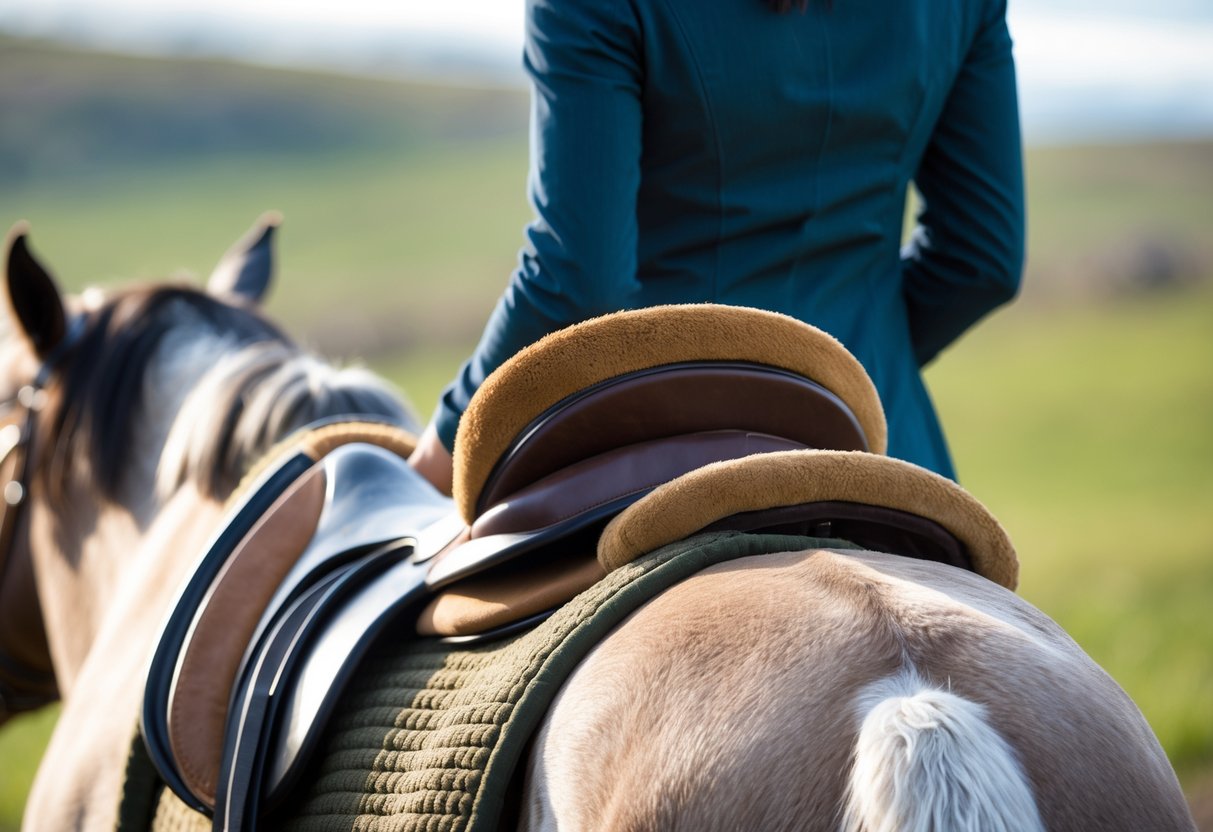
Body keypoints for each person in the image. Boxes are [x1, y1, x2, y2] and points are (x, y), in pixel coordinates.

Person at [410, 0, 1025, 492]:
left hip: (666, 468)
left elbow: (578, 278)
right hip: (892, 454)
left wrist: (442, 449)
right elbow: (982, 259)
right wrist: (837, 367)